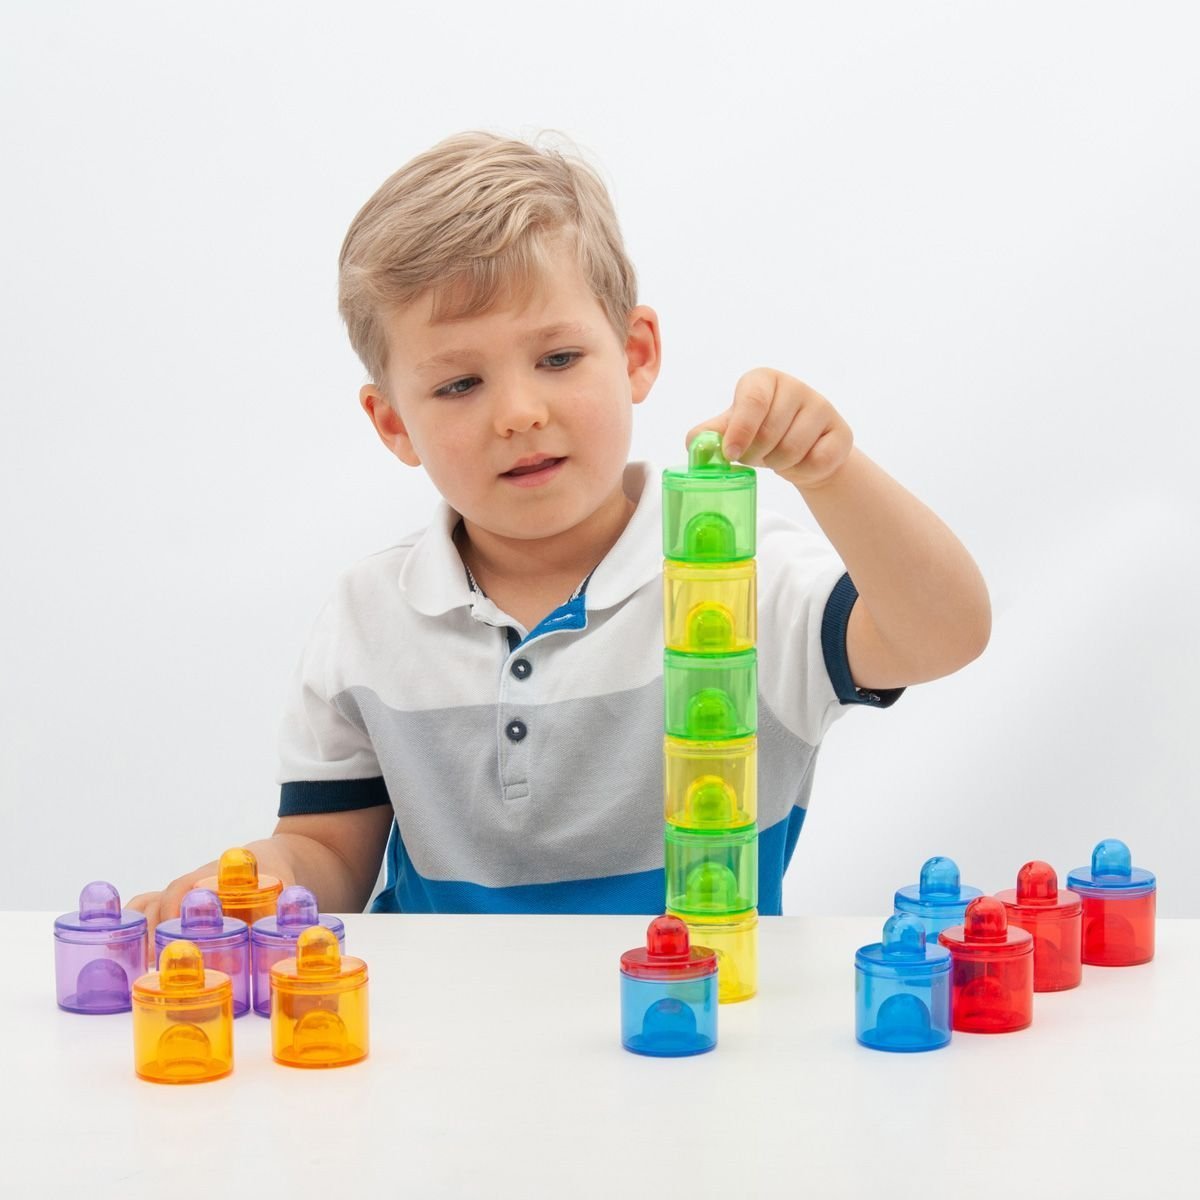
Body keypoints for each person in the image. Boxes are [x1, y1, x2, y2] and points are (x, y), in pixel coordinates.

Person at [130, 130, 990, 935]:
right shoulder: (368, 615)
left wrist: (832, 472)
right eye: (460, 384)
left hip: (684, 1039)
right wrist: (257, 880)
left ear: (637, 353)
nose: (519, 413)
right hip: (433, 1059)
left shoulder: (736, 572)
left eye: (557, 359)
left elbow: (942, 635)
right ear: (393, 424)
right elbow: (330, 853)